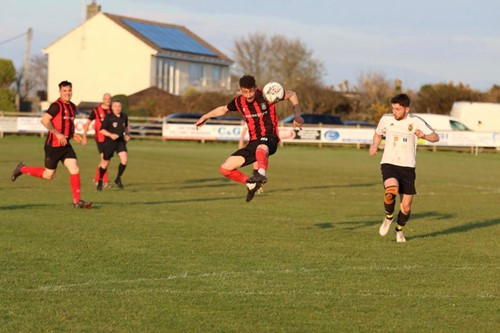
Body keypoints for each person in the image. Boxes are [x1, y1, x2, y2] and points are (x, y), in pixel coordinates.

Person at [195, 75, 303, 202]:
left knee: (261, 148)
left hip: (270, 138)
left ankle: (260, 175)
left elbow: (292, 95)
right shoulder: (238, 102)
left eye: (251, 91)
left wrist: (297, 116)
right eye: (245, 92)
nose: (248, 95)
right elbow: (223, 109)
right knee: (225, 169)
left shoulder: (266, 94)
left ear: (255, 87)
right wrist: (205, 116)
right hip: (253, 142)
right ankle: (251, 184)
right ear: (241, 90)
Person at [369, 93, 439, 242]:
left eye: (398, 109)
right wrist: (374, 146)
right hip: (389, 163)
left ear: (407, 109)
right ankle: (388, 217)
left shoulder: (416, 121)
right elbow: (377, 133)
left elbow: (435, 137)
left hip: (407, 167)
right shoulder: (386, 119)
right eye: (393, 108)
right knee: (391, 190)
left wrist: (424, 136)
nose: (394, 112)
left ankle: (399, 230)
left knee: (406, 207)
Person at [11, 80, 92, 208]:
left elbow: (68, 124)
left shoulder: (72, 107)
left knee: (75, 169)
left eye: (69, 90)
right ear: (60, 92)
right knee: (49, 175)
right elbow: (44, 120)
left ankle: (77, 201)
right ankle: (22, 169)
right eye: (64, 91)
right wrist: (57, 134)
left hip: (65, 146)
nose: (67, 93)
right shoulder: (56, 106)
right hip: (53, 146)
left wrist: (73, 134)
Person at [96, 100, 130, 191]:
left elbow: (126, 127)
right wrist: (111, 135)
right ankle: (100, 180)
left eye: (119, 106)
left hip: (120, 142)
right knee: (105, 163)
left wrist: (127, 135)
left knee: (124, 159)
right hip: (109, 142)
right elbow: (101, 130)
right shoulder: (109, 117)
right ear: (112, 107)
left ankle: (118, 178)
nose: (117, 108)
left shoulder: (124, 116)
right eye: (115, 106)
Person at [82, 93, 112, 187]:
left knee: (106, 161)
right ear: (103, 99)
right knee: (104, 159)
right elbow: (87, 123)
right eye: (106, 98)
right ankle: (105, 181)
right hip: (100, 138)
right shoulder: (96, 110)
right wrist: (84, 137)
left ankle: (96, 179)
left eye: (109, 99)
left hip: (110, 139)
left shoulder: (112, 110)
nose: (107, 100)